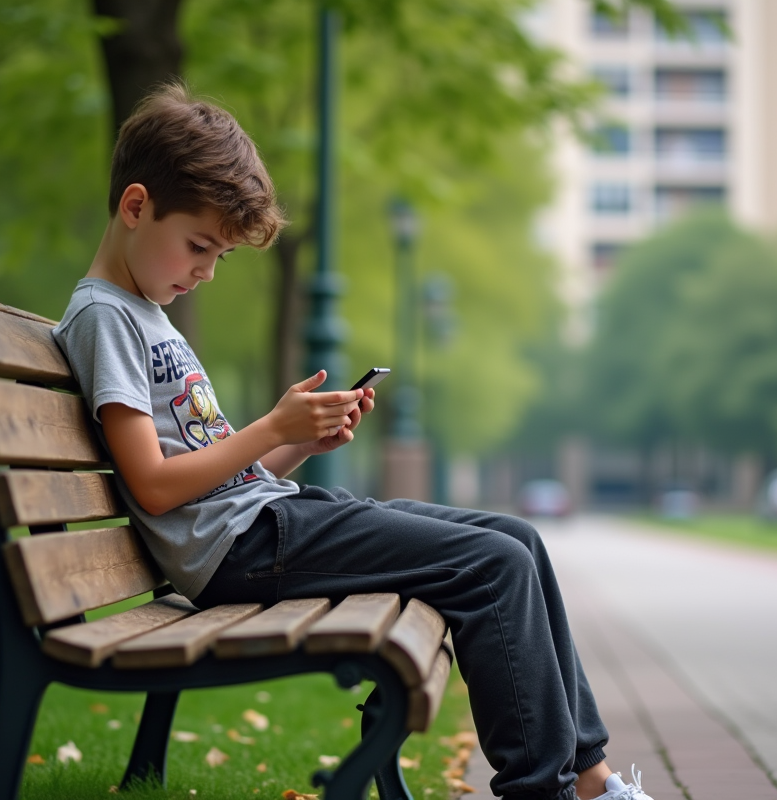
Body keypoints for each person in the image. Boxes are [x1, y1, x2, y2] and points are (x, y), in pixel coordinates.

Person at [52, 82, 654, 800]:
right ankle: (546, 793)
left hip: (262, 524)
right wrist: (270, 427)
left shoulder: (145, 312)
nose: (207, 271)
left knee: (515, 539)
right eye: (199, 247)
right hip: (243, 547)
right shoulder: (104, 318)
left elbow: (213, 476)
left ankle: (593, 780)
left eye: (219, 255)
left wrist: (299, 443)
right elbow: (152, 484)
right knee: (491, 566)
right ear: (135, 207)